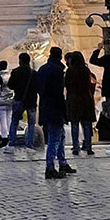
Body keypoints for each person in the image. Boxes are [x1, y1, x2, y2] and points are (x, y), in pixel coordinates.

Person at [36, 47, 73, 178]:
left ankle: (62, 162)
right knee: (54, 138)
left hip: (45, 106)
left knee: (60, 135)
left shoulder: (42, 69)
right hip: (55, 107)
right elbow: (59, 94)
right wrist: (64, 110)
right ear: (60, 56)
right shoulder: (57, 71)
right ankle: (50, 167)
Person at [64, 51, 96, 156]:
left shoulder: (70, 71)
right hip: (86, 99)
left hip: (74, 100)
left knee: (74, 125)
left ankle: (76, 147)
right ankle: (88, 146)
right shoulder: (86, 71)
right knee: (86, 124)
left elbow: (66, 85)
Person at [6, 52, 38, 153]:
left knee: (14, 121)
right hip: (31, 101)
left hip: (19, 99)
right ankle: (29, 144)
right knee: (31, 123)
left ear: (20, 60)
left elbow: (10, 85)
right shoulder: (34, 73)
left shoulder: (15, 72)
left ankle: (11, 142)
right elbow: (38, 87)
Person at [0, 60, 15, 148]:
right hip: (10, 101)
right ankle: (10, 136)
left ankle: (4, 138)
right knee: (9, 119)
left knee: (3, 121)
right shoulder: (10, 76)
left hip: (1, 102)